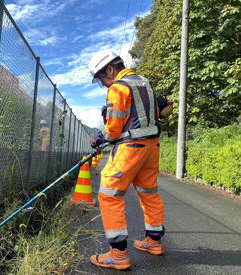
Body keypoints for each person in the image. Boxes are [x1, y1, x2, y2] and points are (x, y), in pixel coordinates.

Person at [88, 49, 166, 270]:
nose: (103, 84)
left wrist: (99, 139)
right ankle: (153, 242)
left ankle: (118, 254)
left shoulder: (118, 88)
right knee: (148, 194)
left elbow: (113, 130)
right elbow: (160, 111)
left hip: (131, 148)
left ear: (110, 70)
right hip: (152, 147)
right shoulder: (146, 83)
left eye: (101, 79)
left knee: (109, 194)